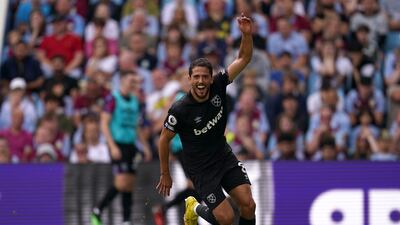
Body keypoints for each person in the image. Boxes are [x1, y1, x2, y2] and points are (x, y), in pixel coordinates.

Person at [156, 13, 256, 225]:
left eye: (205, 77)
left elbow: (244, 58)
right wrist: (165, 173)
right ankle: (195, 207)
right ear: (190, 79)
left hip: (224, 157)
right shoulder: (180, 109)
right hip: (201, 170)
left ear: (211, 78)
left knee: (248, 205)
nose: (201, 81)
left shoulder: (219, 85)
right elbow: (164, 139)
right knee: (226, 219)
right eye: (196, 77)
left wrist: (246, 35)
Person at [91, 70, 152, 225]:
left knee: (129, 184)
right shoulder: (113, 98)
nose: (134, 83)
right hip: (117, 144)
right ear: (122, 80)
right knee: (121, 182)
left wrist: (145, 146)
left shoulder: (134, 101)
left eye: (135, 80)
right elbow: (104, 123)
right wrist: (112, 146)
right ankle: (97, 209)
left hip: (130, 145)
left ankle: (126, 220)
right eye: (131, 80)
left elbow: (137, 126)